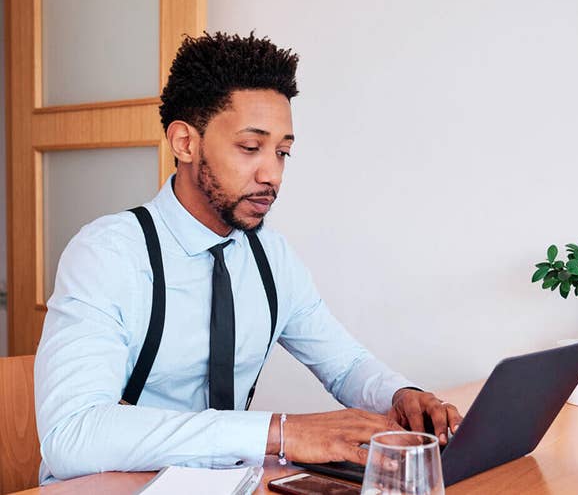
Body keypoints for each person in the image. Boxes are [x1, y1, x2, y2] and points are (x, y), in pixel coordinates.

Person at [34, 32, 462, 484]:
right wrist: (280, 433)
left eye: (282, 152)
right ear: (184, 142)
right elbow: (72, 434)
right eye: (250, 148)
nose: (272, 175)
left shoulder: (270, 256)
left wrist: (399, 394)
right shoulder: (108, 254)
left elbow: (345, 363)